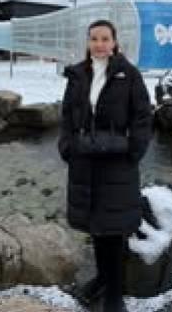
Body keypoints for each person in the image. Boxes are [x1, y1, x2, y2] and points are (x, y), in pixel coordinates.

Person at [58, 19, 152, 312]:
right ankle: (101, 279)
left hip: (117, 164)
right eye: (94, 39)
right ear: (88, 42)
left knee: (114, 231)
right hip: (85, 162)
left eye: (105, 38)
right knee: (96, 227)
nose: (99, 44)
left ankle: (114, 294)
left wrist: (134, 152)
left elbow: (142, 116)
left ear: (114, 42)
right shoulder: (78, 75)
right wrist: (67, 146)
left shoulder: (129, 75)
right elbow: (67, 115)